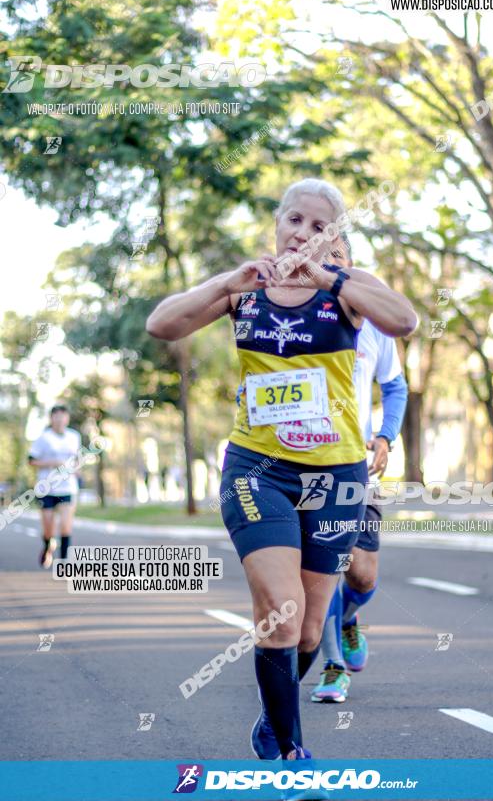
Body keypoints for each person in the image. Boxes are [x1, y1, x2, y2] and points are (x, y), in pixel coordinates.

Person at [146, 178, 417, 765]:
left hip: (335, 477)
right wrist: (227, 281)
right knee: (280, 609)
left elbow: (404, 321)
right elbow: (161, 325)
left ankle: (274, 717)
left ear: (335, 238)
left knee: (310, 630)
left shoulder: (348, 289)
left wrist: (332, 278)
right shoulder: (246, 292)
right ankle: (290, 751)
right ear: (277, 222)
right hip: (257, 470)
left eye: (321, 228)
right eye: (296, 220)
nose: (304, 234)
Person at [311, 236, 408, 704]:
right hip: (304, 467)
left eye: (337, 257)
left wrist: (386, 436)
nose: (327, 264)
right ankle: (331, 666)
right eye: (319, 255)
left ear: (350, 266)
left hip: (357, 468)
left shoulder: (372, 322)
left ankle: (348, 619)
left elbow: (395, 386)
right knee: (326, 568)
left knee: (363, 576)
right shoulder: (290, 316)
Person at [29, 405, 82, 568]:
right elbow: (31, 460)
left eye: (63, 416)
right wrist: (53, 463)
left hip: (67, 488)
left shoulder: (74, 436)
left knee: (66, 525)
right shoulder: (44, 438)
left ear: (67, 418)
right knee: (48, 528)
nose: (60, 419)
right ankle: (47, 545)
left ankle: (65, 562)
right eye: (56, 416)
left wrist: (77, 470)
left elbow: (78, 460)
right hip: (47, 488)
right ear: (51, 418)